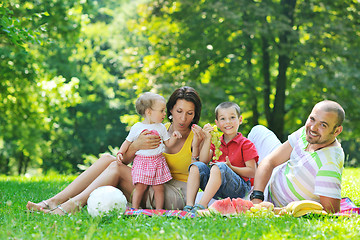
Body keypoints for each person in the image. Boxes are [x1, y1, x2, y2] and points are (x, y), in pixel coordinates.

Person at [26, 86, 205, 215]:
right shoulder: (158, 127)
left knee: (116, 168)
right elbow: (123, 161)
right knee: (107, 159)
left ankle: (68, 208)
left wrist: (197, 146)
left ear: (195, 114)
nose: (183, 118)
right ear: (170, 110)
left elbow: (202, 170)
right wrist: (136, 146)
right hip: (149, 183)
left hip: (176, 194)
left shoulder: (197, 134)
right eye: (179, 111)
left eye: (189, 113)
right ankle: (53, 202)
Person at [249, 100, 345, 213]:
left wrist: (274, 210)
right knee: (258, 131)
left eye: (323, 125)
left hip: (273, 200)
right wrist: (257, 198)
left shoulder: (329, 163)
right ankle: (245, 180)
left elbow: (331, 211)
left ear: (337, 131)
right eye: (312, 119)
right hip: (271, 178)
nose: (313, 128)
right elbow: (270, 161)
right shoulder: (307, 132)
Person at [184, 102, 259, 212]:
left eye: (232, 117)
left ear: (240, 120)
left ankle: (201, 206)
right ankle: (189, 206)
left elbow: (253, 172)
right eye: (223, 119)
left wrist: (231, 167)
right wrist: (207, 139)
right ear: (217, 123)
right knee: (196, 166)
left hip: (239, 188)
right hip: (216, 187)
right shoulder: (217, 142)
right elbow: (203, 161)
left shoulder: (246, 144)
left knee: (219, 167)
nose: (228, 122)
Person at [117, 92, 182, 209]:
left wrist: (174, 137)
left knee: (159, 188)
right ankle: (135, 208)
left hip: (157, 161)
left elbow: (168, 144)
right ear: (149, 112)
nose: (164, 114)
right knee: (140, 187)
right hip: (142, 162)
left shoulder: (161, 127)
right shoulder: (137, 127)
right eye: (161, 111)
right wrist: (120, 153)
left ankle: (159, 210)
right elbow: (127, 142)